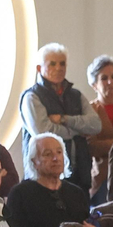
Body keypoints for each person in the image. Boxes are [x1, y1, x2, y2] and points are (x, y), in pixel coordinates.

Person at [19, 43, 101, 192]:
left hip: (80, 172)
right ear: (39, 68)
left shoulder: (75, 95)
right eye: (52, 64)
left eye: (62, 63)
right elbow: (44, 132)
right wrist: (77, 131)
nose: (58, 68)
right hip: (43, 176)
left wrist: (65, 120)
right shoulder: (32, 97)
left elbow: (95, 125)